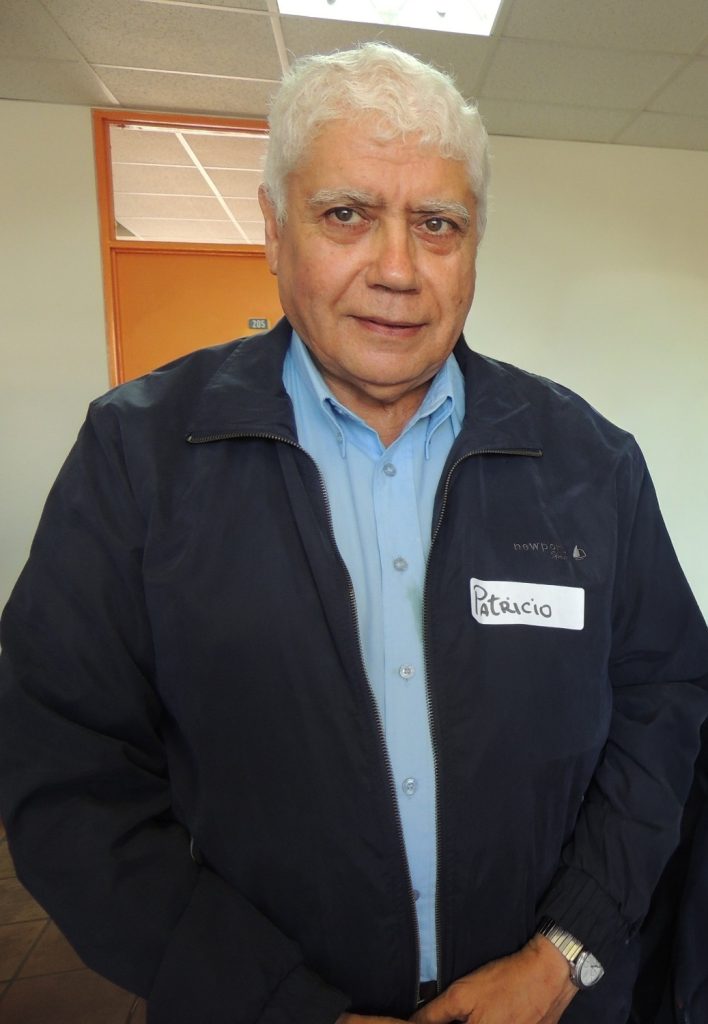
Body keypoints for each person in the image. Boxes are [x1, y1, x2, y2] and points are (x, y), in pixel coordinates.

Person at [0, 43, 706, 1024]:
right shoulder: (140, 458)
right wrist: (276, 1005)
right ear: (273, 228)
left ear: (474, 241)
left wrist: (563, 954)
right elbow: (67, 780)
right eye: (346, 215)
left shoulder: (592, 464)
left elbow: (666, 707)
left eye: (437, 224)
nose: (398, 270)